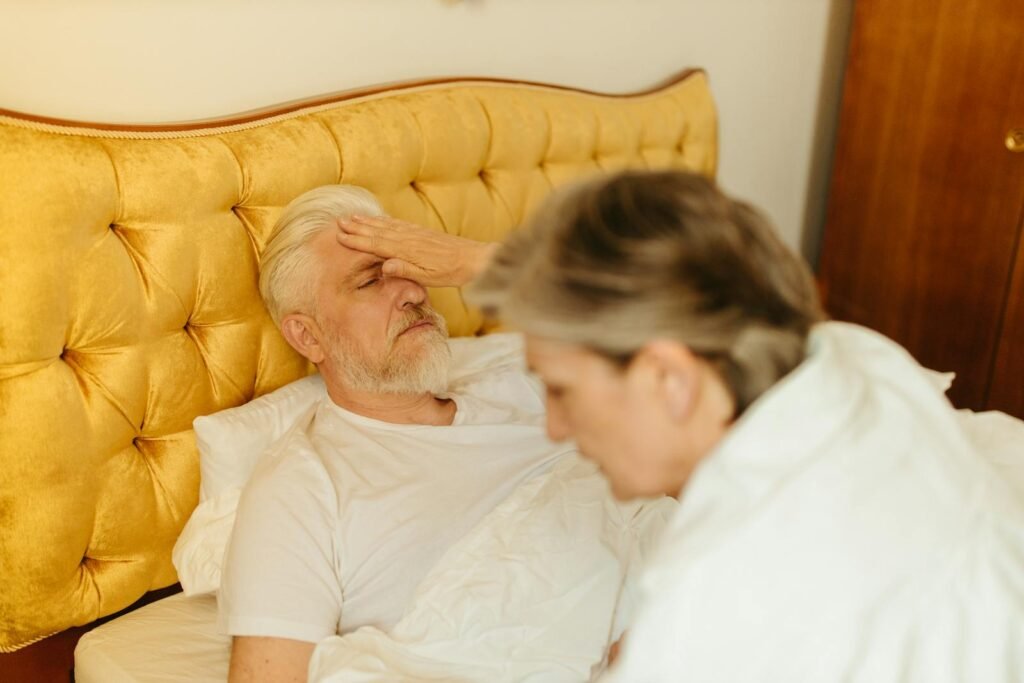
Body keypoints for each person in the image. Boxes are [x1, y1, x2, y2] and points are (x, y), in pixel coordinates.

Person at [341, 169, 1024, 682]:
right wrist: (471, 261)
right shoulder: (856, 360)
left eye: (562, 388)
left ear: (669, 379)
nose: (554, 425)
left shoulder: (714, 606)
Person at [221, 185, 568, 683]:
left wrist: (482, 262)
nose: (413, 291)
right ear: (307, 335)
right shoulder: (302, 488)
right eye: (370, 281)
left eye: (410, 268)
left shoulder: (524, 382)